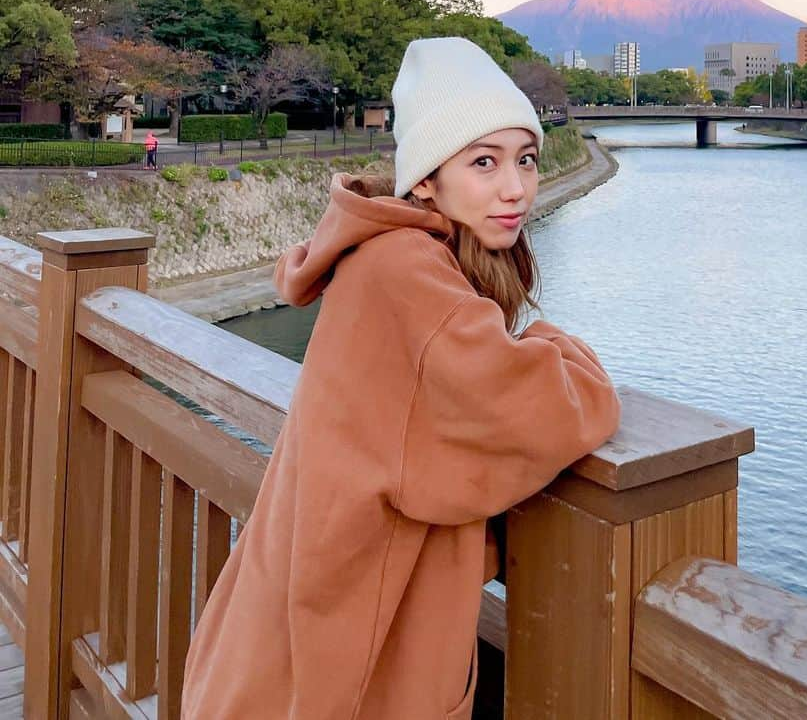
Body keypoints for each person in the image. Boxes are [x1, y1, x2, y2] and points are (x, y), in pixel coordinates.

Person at [182, 37, 621, 719]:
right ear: (425, 179)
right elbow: (550, 408)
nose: (516, 187)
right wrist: (551, 343)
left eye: (526, 160)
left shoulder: (385, 255)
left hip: (322, 587)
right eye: (484, 162)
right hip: (360, 617)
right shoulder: (409, 274)